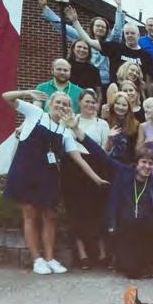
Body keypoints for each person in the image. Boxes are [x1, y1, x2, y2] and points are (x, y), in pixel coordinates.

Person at [2, 89, 107, 275]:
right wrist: (28, 93)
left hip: (48, 176)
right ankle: (37, 259)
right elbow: (6, 97)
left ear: (69, 109)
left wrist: (96, 178)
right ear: (50, 103)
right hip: (27, 173)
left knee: (50, 216)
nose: (61, 106)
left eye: (66, 104)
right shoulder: (36, 114)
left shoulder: (65, 131)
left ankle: (50, 258)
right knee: (30, 216)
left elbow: (78, 158)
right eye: (58, 102)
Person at [66, 114, 153, 277]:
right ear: (137, 163)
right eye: (144, 162)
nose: (147, 166)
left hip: (147, 231)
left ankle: (146, 261)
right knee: (131, 271)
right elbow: (100, 154)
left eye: (150, 164)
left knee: (150, 234)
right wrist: (76, 130)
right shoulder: (124, 172)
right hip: (122, 227)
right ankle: (126, 260)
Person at [61, 89, 111, 269]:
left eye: (93, 102)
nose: (90, 105)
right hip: (73, 169)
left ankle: (102, 252)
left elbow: (104, 150)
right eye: (87, 101)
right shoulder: (71, 120)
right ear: (79, 102)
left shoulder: (102, 124)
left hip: (96, 168)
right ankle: (82, 255)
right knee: (76, 211)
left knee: (96, 210)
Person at [36, 0, 123, 89]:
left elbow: (118, 30)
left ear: (107, 30)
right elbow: (62, 26)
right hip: (86, 80)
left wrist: (119, 7)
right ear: (92, 27)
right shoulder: (83, 38)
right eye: (98, 26)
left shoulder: (109, 44)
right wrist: (45, 8)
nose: (100, 28)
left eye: (103, 27)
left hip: (104, 83)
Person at [66, 6, 153, 83]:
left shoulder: (146, 56)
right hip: (115, 92)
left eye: (132, 33)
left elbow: (148, 81)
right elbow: (89, 41)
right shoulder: (115, 48)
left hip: (134, 94)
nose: (129, 36)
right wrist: (75, 21)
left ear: (138, 35)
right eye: (127, 33)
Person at [104, 91, 140, 163]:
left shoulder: (135, 124)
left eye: (124, 105)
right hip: (108, 163)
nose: (120, 107)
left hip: (127, 164)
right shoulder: (105, 122)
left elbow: (135, 149)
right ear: (113, 105)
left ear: (128, 107)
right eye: (117, 103)